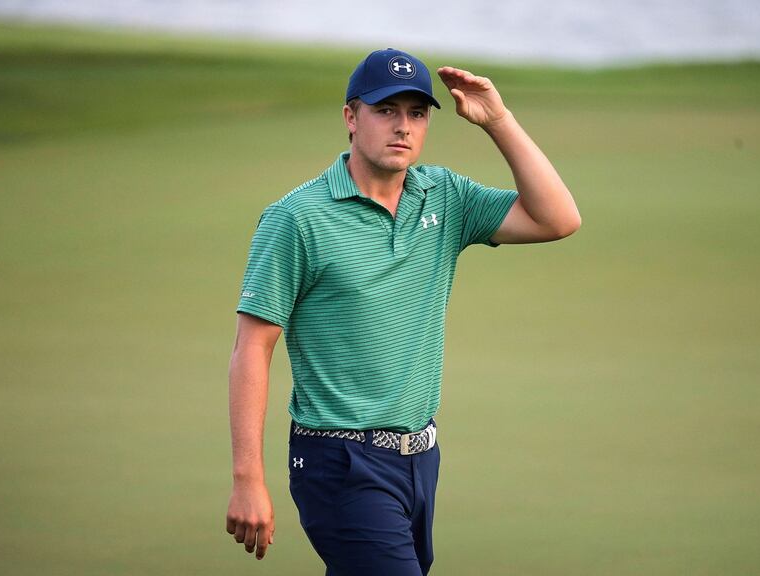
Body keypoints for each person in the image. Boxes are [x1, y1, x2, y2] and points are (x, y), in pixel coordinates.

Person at [225, 48, 581, 575]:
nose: (403, 127)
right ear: (351, 117)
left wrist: (498, 121)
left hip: (420, 459)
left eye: (416, 113)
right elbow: (252, 346)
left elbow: (558, 218)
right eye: (386, 110)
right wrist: (247, 479)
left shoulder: (445, 195)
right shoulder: (296, 219)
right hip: (338, 461)